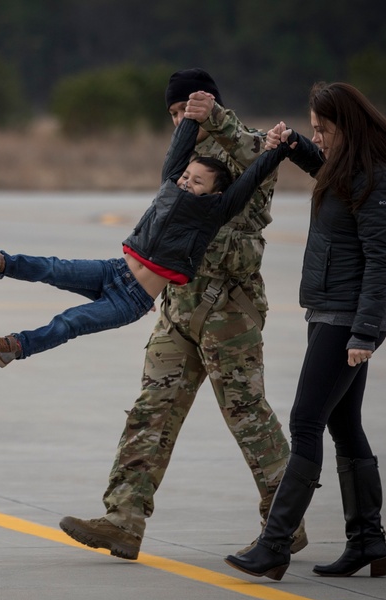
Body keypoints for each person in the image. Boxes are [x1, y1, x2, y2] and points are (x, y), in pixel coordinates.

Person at [57, 68, 308, 561]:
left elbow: (256, 156)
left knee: (247, 415)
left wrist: (213, 116)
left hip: (229, 311)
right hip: (179, 304)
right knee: (153, 407)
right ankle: (122, 519)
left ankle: (284, 523)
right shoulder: (186, 161)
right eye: (174, 114)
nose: (179, 121)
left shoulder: (248, 147)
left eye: (185, 111)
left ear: (210, 104)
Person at [225, 82, 386, 581]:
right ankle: (368, 541)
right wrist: (293, 145)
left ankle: (275, 544)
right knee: (343, 424)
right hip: (328, 312)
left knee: (306, 419)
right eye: (313, 129)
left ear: (346, 127)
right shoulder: (347, 170)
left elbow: (381, 263)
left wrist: (364, 333)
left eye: (323, 130)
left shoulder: (381, 180)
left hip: (347, 318)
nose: (320, 138)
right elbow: (324, 171)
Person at [0, 104, 291, 368]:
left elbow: (249, 182)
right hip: (114, 270)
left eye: (197, 182)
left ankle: (14, 347)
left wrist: (275, 151)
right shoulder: (170, 185)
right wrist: (191, 115)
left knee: (71, 321)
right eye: (186, 176)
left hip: (132, 299)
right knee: (53, 268)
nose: (186, 182)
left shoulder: (214, 212)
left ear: (215, 192)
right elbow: (179, 148)